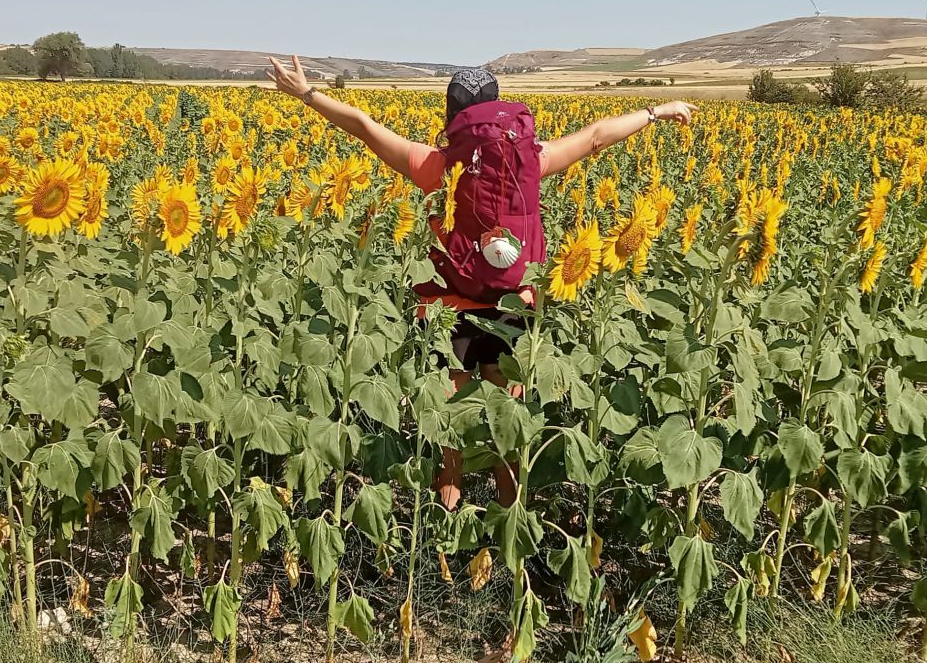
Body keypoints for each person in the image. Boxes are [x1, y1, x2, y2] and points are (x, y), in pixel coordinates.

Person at [266, 56, 696, 510]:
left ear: (452, 115)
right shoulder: (531, 158)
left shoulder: (437, 165)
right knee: (505, 425)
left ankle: (447, 520)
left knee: (449, 422)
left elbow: (365, 128)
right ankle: (508, 516)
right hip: (514, 303)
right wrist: (655, 112)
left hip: (451, 307)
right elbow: (595, 137)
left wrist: (307, 94)